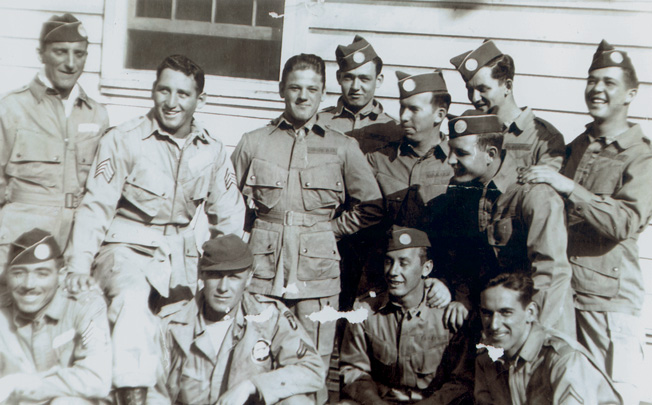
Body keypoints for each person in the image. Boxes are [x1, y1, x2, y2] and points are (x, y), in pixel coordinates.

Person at [64, 54, 246, 404]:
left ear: (199, 100)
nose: (172, 102)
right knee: (132, 304)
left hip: (179, 253)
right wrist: (77, 264)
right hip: (125, 250)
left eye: (183, 94)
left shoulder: (212, 150)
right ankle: (132, 396)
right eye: (164, 90)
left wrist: (226, 274)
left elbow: (229, 218)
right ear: (153, 91)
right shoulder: (125, 139)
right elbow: (96, 205)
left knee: (184, 324)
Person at [231, 53, 383, 404]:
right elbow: (227, 202)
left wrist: (332, 229)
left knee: (312, 363)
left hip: (317, 274)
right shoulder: (254, 142)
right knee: (256, 357)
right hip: (263, 271)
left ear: (323, 92)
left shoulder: (342, 147)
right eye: (295, 88)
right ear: (282, 89)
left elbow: (372, 205)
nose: (303, 96)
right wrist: (252, 233)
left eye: (312, 89)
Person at [519, 39, 652, 405]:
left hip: (608, 301)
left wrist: (568, 186)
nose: (597, 89)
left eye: (609, 82)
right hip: (564, 297)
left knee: (610, 395)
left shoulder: (642, 157)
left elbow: (624, 222)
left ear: (631, 94)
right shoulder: (577, 146)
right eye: (592, 80)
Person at [441, 110, 572, 335]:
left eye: (460, 153)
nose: (450, 160)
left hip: (538, 325)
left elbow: (551, 275)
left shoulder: (534, 196)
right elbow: (465, 257)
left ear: (491, 154)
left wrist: (534, 334)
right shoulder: (464, 192)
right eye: (450, 150)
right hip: (495, 322)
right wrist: (462, 298)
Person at [0, 13, 109, 273]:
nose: (71, 63)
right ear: (42, 54)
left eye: (79, 54)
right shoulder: (12, 109)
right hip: (18, 243)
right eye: (61, 52)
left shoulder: (97, 114)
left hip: (75, 244)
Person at [161, 234, 325, 405]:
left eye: (233, 277)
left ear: (249, 278)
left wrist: (252, 385)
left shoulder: (269, 317)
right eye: (215, 275)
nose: (223, 288)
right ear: (201, 274)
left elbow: (312, 369)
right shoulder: (171, 324)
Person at [362, 70, 454, 295]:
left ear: (439, 114)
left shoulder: (457, 165)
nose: (403, 116)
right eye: (402, 107)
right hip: (382, 285)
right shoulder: (378, 161)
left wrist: (449, 283)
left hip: (439, 290)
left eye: (414, 109)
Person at [340, 226, 450, 404]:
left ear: (426, 268)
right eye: (388, 262)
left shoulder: (447, 316)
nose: (392, 272)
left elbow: (461, 381)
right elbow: (354, 370)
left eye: (403, 263)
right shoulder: (365, 312)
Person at [0, 228, 111, 404]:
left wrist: (24, 384)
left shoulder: (85, 306)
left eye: (41, 273)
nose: (29, 284)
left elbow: (96, 378)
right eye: (19, 273)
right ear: (7, 276)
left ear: (61, 275)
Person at [475, 273, 622, 405]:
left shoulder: (564, 358)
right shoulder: (487, 359)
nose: (494, 325)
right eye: (487, 313)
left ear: (530, 313)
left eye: (506, 312)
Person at [449, 39, 564, 171]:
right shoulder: (472, 134)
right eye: (470, 90)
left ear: (507, 86)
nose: (474, 98)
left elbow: (544, 188)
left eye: (483, 89)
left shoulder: (545, 138)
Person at [318, 35, 402, 154]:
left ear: (378, 80)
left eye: (364, 79)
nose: (355, 87)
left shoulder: (394, 128)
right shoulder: (319, 122)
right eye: (349, 78)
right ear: (338, 78)